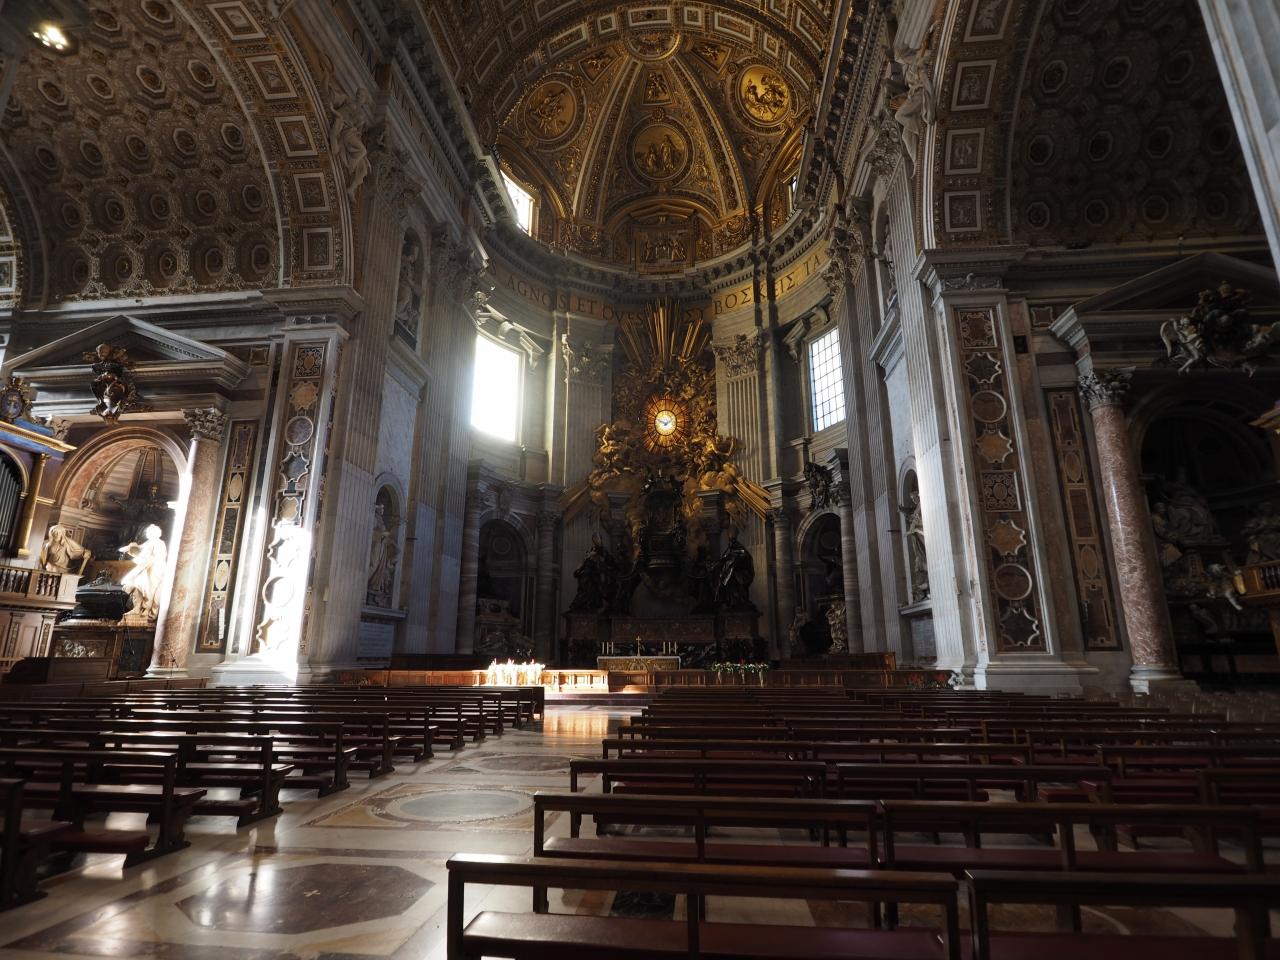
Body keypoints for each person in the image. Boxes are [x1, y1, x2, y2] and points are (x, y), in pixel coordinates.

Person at [119, 524, 167, 620]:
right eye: (147, 532)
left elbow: (158, 557)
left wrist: (143, 560)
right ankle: (137, 608)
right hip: (145, 568)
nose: (147, 534)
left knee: (148, 590)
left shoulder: (160, 543)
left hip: (155, 569)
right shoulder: (148, 543)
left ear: (155, 533)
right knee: (135, 585)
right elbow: (137, 550)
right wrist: (130, 547)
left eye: (149, 532)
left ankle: (146, 610)